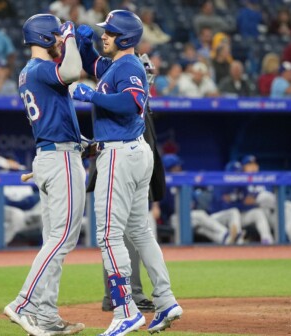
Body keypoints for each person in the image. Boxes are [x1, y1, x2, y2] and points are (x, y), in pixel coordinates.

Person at [72, 10, 182, 335]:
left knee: (108, 235)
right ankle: (166, 300)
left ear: (125, 38)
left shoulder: (130, 65)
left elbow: (132, 101)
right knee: (140, 232)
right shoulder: (116, 65)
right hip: (130, 151)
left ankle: (125, 311)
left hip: (121, 153)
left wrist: (91, 95)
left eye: (109, 32)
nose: (104, 35)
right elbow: (95, 66)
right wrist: (83, 43)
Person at [3, 14, 86, 336]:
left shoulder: (28, 72)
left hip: (53, 154)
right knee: (62, 239)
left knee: (54, 240)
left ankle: (47, 316)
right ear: (46, 37)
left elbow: (56, 115)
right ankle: (23, 304)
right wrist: (71, 39)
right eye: (55, 35)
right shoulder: (39, 68)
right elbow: (71, 70)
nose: (59, 39)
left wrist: (84, 145)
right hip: (60, 158)